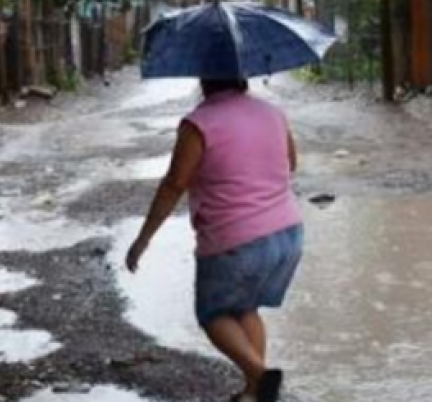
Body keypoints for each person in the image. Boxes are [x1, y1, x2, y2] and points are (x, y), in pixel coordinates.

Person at [126, 78, 304, 402]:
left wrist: (143, 239)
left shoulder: (199, 123)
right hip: (287, 234)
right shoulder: (272, 112)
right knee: (244, 307)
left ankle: (262, 377)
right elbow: (290, 164)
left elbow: (175, 183)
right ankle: (254, 393)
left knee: (213, 313)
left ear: (205, 80)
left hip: (235, 240)